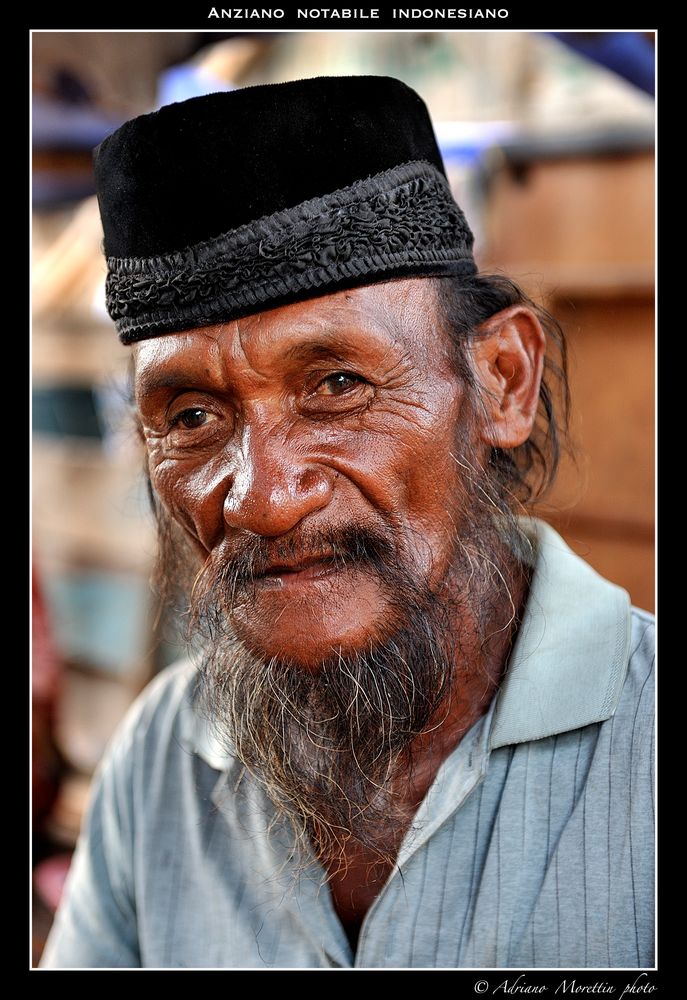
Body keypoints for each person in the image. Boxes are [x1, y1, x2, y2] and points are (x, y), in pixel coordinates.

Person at [39, 76, 654, 970]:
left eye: (337, 386)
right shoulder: (164, 756)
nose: (261, 498)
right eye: (192, 418)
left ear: (501, 381)